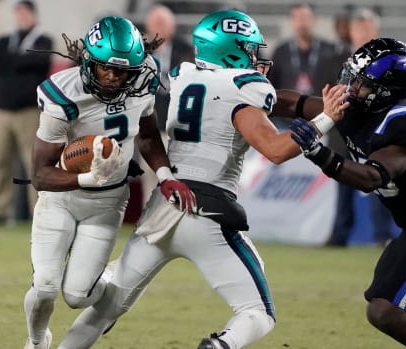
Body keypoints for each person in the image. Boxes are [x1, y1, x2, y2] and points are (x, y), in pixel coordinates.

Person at [55, 9, 344, 349]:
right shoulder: (244, 88)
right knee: (258, 311)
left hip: (162, 209)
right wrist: (327, 119)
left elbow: (275, 101)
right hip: (206, 214)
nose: (255, 58)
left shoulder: (184, 75)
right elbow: (276, 149)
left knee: (108, 307)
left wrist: (323, 105)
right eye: (249, 49)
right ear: (232, 49)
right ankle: (221, 346)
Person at [280, 38, 406, 348]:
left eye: (361, 83)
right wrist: (246, 92)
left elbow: (372, 177)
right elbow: (292, 103)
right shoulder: (356, 106)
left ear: (387, 89)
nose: (351, 87)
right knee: (380, 303)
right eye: (352, 76)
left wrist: (319, 153)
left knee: (385, 309)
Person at [22, 16, 195, 349]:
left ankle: (112, 293)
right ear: (88, 60)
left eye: (122, 70)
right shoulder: (64, 95)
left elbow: (146, 135)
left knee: (77, 296)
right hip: (61, 200)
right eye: (106, 68)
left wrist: (165, 176)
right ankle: (37, 339)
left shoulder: (141, 81)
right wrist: (86, 176)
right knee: (44, 287)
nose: (114, 77)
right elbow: (40, 175)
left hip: (107, 204)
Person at [326, 6, 395, 247]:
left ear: (376, 31)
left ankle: (383, 235)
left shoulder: (390, 61)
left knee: (378, 182)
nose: (362, 33)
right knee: (342, 182)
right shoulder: (337, 59)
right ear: (351, 32)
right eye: (358, 28)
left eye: (367, 28)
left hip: (376, 133)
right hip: (344, 131)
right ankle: (339, 235)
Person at [0, 0, 52, 223]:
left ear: (33, 15)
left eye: (25, 13)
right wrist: (21, 62)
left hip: (28, 110)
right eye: (18, 13)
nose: (21, 17)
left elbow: (40, 61)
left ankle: (38, 211)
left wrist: (12, 62)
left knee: (33, 161)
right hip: (3, 110)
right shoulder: (6, 40)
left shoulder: (43, 40)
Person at [138, 3, 194, 208]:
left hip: (177, 125)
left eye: (163, 22)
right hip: (149, 123)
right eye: (155, 22)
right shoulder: (140, 51)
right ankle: (148, 218)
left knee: (178, 175)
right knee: (150, 176)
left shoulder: (185, 49)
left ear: (173, 26)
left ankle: (176, 217)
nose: (159, 27)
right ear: (148, 25)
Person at [268, 2, 339, 96]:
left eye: (305, 17)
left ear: (314, 19)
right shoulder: (280, 51)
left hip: (320, 107)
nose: (301, 22)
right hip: (288, 108)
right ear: (291, 21)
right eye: (296, 18)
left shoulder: (330, 51)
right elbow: (270, 85)